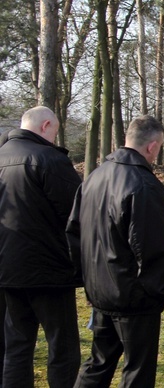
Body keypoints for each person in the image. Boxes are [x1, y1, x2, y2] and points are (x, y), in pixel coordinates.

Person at [67, 115, 164, 387]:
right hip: (134, 297)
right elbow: (153, 247)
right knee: (137, 370)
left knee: (98, 363)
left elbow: (74, 233)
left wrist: (86, 280)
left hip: (102, 290)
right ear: (152, 146)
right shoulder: (143, 184)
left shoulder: (94, 177)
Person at [0, 106, 82, 388]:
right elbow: (77, 214)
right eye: (55, 132)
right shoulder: (49, 159)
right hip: (49, 270)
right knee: (63, 347)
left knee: (17, 346)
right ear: (46, 125)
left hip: (7, 269)